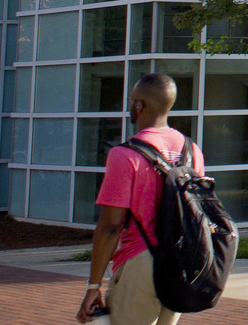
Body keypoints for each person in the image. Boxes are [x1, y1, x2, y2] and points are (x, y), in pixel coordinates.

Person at [79, 73, 204, 325]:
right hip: (180, 263)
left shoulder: (124, 155)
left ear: (138, 105)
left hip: (140, 261)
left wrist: (94, 285)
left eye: (131, 101)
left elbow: (111, 226)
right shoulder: (192, 151)